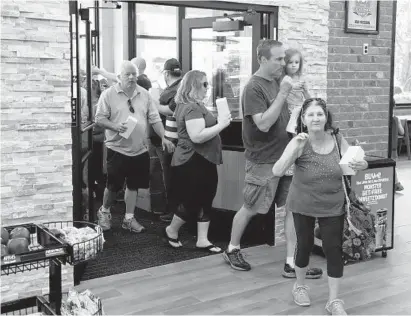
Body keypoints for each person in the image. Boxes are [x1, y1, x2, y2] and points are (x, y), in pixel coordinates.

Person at [222, 40, 322, 280]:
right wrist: (284, 92)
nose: (283, 64)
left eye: (283, 59)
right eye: (278, 59)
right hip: (263, 160)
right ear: (263, 59)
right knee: (251, 207)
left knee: (292, 210)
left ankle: (292, 263)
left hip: (287, 157)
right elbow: (264, 123)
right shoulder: (253, 88)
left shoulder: (279, 81)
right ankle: (232, 249)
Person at [272, 98, 368, 315]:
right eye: (310, 115)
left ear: (326, 117)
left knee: (333, 250)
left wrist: (363, 164)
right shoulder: (299, 142)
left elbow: (356, 163)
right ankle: (300, 286)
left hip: (333, 204)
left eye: (320, 114)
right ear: (303, 119)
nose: (316, 118)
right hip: (303, 204)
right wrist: (294, 147)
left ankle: (334, 301)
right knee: (304, 245)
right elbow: (277, 171)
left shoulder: (337, 138)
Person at [95, 60, 175, 232]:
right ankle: (104, 211)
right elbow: (99, 119)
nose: (131, 77)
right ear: (118, 77)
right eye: (127, 74)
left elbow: (154, 118)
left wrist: (164, 137)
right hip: (116, 148)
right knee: (113, 186)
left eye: (134, 74)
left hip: (139, 149)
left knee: (133, 185)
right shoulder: (108, 95)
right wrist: (115, 127)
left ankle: (129, 219)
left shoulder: (144, 94)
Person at [163, 70, 231, 252]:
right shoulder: (191, 107)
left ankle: (202, 239)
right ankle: (171, 229)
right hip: (192, 160)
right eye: (204, 84)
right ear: (193, 86)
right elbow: (197, 136)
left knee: (205, 198)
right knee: (192, 200)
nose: (208, 88)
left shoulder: (193, 105)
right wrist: (221, 124)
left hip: (202, 159)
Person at [147, 58, 183, 222]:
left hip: (168, 138)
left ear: (166, 73)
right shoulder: (174, 88)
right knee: (162, 174)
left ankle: (173, 211)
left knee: (169, 175)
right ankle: (163, 207)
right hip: (161, 138)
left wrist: (153, 101)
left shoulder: (178, 89)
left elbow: (170, 111)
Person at [283, 48, 311, 135]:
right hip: (288, 110)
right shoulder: (284, 78)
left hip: (300, 109)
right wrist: (293, 86)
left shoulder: (301, 78)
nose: (294, 65)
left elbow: (308, 99)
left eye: (296, 62)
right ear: (285, 63)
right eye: (290, 62)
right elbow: (283, 91)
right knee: (294, 131)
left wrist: (305, 91)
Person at [391, 99, 405, 191]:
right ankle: (396, 183)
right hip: (393, 149)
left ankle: (395, 183)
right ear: (394, 106)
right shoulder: (396, 119)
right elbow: (402, 132)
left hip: (387, 148)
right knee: (393, 166)